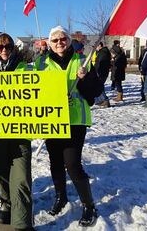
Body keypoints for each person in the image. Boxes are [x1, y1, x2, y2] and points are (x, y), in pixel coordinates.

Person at [34, 25, 102, 227]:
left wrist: (85, 78)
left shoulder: (82, 61)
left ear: (69, 40)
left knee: (72, 164)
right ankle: (61, 197)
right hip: (52, 120)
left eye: (63, 39)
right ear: (50, 43)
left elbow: (95, 92)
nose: (59, 43)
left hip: (75, 120)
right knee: (55, 162)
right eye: (54, 40)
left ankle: (89, 205)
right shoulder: (41, 63)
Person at [0, 33, 34, 231]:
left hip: (20, 134)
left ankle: (22, 224)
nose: (4, 50)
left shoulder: (24, 69)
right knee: (1, 175)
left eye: (8, 46)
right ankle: (5, 203)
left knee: (21, 178)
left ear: (13, 48)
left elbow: (39, 93)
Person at [94, 42, 111, 107]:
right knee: (99, 86)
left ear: (100, 45)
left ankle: (105, 100)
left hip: (101, 72)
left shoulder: (102, 53)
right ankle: (102, 100)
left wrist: (96, 71)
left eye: (96, 46)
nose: (95, 48)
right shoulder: (102, 52)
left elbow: (99, 64)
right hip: (102, 72)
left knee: (99, 86)